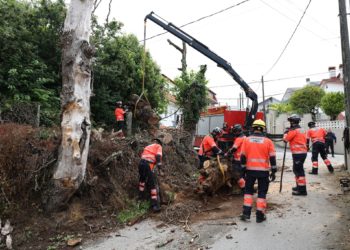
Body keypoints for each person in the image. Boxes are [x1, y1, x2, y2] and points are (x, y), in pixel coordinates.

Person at [240, 119, 276, 223]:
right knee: (262, 193)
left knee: (248, 192)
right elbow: (272, 158)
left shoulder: (246, 140)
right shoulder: (268, 141)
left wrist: (243, 170)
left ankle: (246, 213)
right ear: (263, 129)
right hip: (263, 172)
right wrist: (273, 171)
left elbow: (242, 156)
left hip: (250, 171)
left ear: (253, 128)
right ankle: (260, 216)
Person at [283, 114, 307, 196]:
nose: (290, 123)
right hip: (302, 153)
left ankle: (302, 190)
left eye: (290, 121)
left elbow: (285, 140)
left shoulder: (293, 131)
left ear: (292, 122)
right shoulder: (302, 130)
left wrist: (286, 133)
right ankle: (299, 186)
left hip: (298, 153)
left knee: (299, 171)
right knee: (296, 169)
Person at [138, 138, 163, 212]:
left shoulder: (148, 146)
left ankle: (140, 198)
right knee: (152, 185)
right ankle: (155, 205)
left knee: (142, 181)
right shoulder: (159, 146)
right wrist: (160, 167)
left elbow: (144, 156)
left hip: (141, 164)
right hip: (147, 165)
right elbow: (158, 156)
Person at [226, 124, 246, 192]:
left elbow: (234, 148)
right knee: (243, 175)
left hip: (238, 160)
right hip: (245, 160)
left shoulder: (239, 139)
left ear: (238, 131)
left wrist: (227, 153)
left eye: (235, 131)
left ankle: (244, 189)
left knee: (237, 175)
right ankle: (246, 188)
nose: (234, 133)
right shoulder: (245, 137)